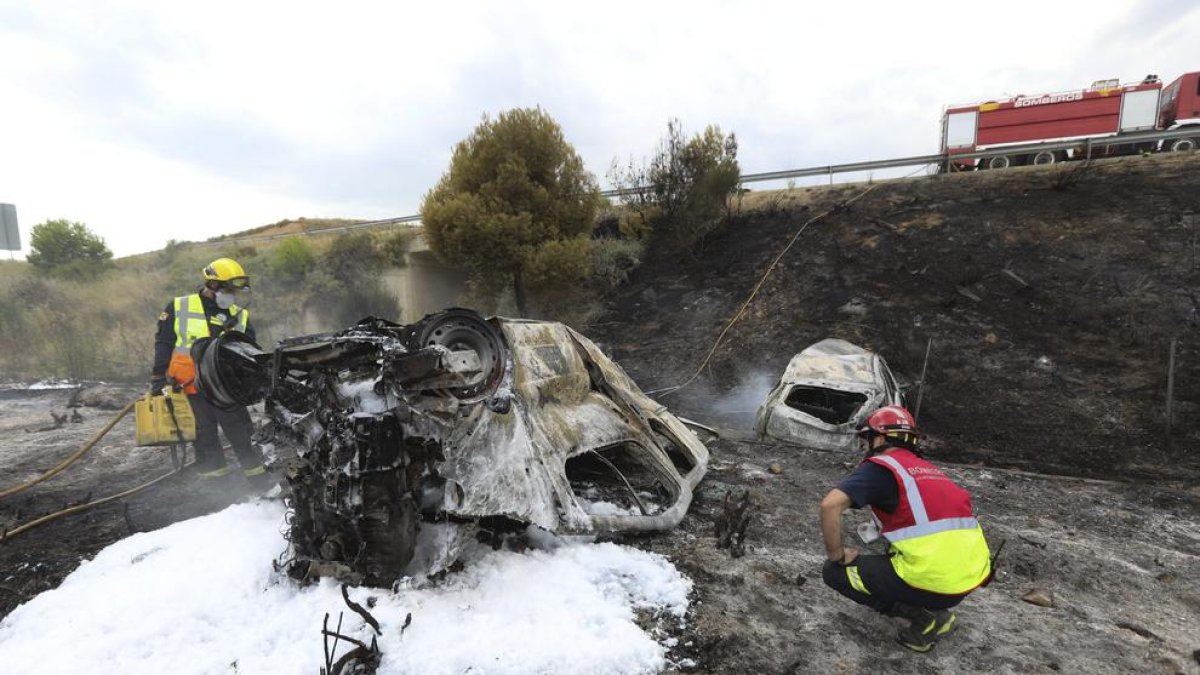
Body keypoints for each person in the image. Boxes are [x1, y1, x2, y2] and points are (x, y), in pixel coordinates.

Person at [819, 405, 992, 653]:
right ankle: (934, 608)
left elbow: (830, 505)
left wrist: (837, 555)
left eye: (867, 439)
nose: (865, 447)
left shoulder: (881, 467)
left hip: (935, 582)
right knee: (891, 555)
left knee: (834, 572)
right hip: (969, 580)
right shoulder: (929, 471)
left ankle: (927, 618)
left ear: (879, 438)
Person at [150, 257, 267, 482]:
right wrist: (158, 378)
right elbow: (163, 343)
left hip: (226, 391)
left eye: (235, 291)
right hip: (190, 389)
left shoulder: (239, 315)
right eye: (228, 289)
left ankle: (261, 483)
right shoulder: (179, 307)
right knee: (205, 440)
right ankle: (217, 490)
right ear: (212, 285)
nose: (233, 295)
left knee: (243, 436)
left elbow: (250, 352)